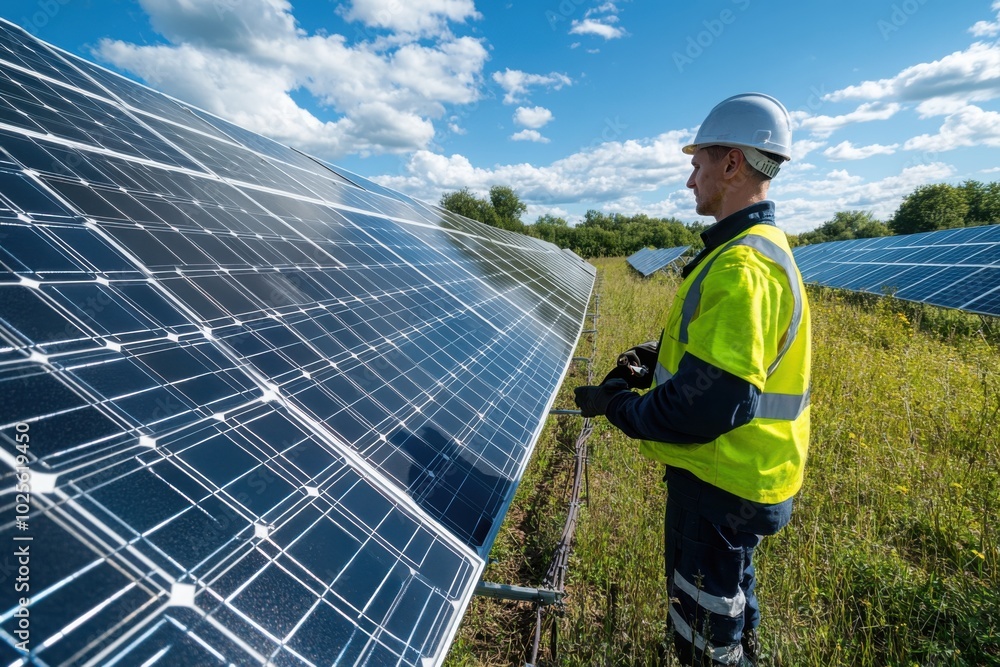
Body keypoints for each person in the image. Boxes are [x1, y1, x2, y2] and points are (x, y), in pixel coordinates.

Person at [574, 93, 810, 666]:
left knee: (703, 634)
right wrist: (654, 358)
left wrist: (617, 408)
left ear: (732, 163)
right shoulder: (754, 250)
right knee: (730, 602)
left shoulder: (742, 266)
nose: (689, 181)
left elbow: (709, 406)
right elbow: (730, 357)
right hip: (745, 475)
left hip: (720, 481)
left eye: (697, 164)